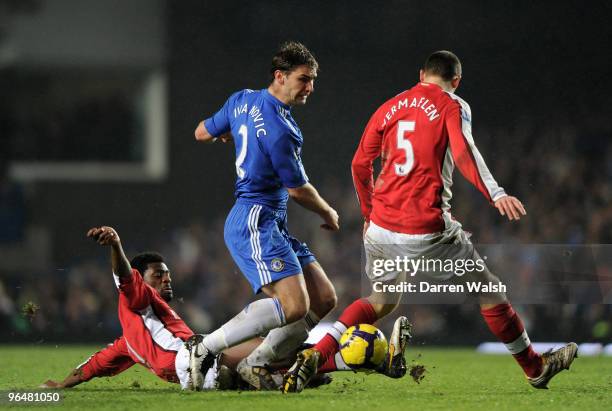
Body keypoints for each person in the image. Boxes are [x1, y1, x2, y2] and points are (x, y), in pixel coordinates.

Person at [283, 50, 577, 393]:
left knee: (382, 298)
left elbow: (360, 164)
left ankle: (318, 354)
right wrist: (496, 193)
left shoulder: (390, 106)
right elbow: (464, 152)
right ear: (456, 81)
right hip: (424, 228)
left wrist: (367, 213)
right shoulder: (453, 104)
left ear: (421, 74)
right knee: (488, 290)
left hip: (379, 227)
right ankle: (534, 367)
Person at [189, 41, 338, 390]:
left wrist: (231, 136)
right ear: (280, 77)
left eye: (313, 79)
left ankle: (255, 364)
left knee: (324, 297)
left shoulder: (242, 99)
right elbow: (297, 189)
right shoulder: (282, 129)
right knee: (294, 304)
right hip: (255, 218)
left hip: (272, 222)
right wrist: (329, 211)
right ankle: (205, 347)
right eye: (304, 79)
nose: (310, 87)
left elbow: (200, 132)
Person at [41, 226, 265, 390]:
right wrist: (116, 246)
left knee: (270, 365)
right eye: (158, 275)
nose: (167, 280)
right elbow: (125, 277)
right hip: (194, 356)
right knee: (265, 349)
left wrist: (63, 384)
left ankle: (265, 370)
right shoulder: (141, 297)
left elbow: (93, 365)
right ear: (141, 280)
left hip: (197, 364)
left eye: (167, 275)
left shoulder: (130, 342)